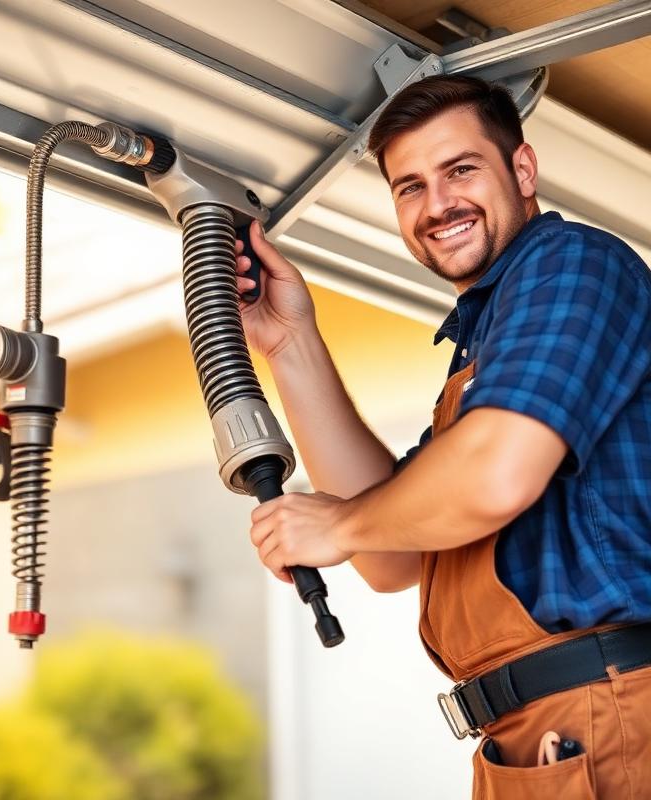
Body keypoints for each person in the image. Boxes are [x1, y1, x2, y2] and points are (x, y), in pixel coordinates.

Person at [234, 75, 651, 798]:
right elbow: (391, 555)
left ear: (523, 169)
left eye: (461, 170)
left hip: (607, 712)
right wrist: (291, 341)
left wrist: (336, 524)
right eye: (411, 187)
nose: (438, 205)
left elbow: (492, 476)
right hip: (538, 735)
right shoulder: (487, 344)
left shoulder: (572, 264)